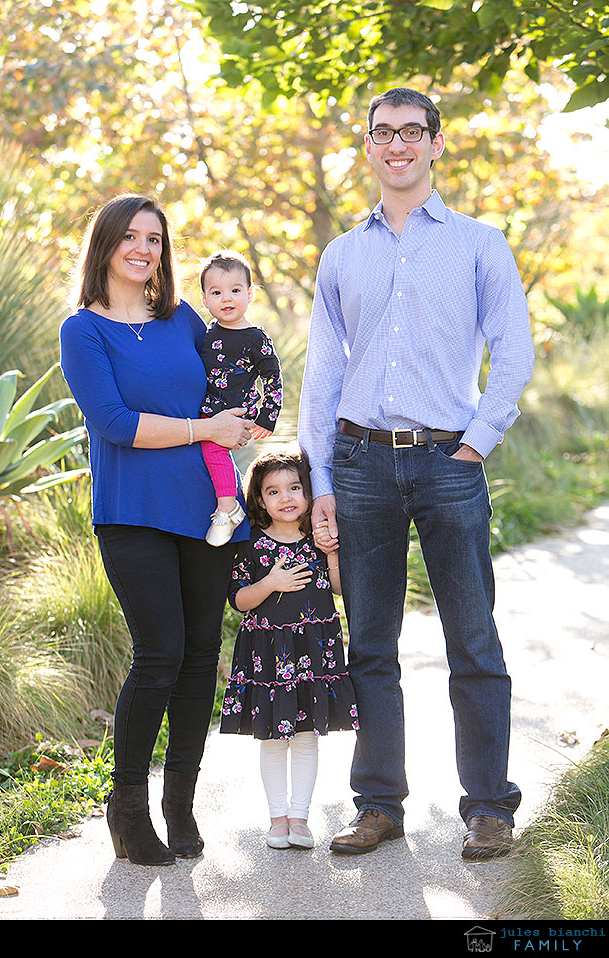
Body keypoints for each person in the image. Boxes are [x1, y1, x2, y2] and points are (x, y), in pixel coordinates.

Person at [298, 87, 535, 860]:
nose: (395, 144)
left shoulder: (477, 244)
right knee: (368, 642)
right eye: (381, 133)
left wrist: (475, 442)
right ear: (366, 147)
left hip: (447, 460)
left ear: (437, 142)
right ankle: (377, 805)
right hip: (360, 461)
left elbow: (514, 350)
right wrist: (321, 478)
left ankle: (490, 809)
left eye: (410, 131)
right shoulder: (342, 253)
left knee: (472, 639)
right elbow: (322, 376)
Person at [59, 193, 253, 866]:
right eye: (132, 237)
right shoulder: (82, 330)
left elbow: (225, 388)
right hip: (132, 511)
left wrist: (252, 413)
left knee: (201, 655)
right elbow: (114, 423)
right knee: (159, 654)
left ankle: (180, 803)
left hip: (205, 513)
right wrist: (204, 429)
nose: (145, 249)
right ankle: (127, 807)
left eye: (156, 239)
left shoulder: (183, 319)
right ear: (106, 244)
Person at [220, 448, 359, 849]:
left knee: (305, 737)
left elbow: (338, 588)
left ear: (308, 492)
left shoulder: (317, 541)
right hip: (268, 652)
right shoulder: (250, 544)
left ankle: (300, 818)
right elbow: (239, 599)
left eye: (295, 487)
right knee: (272, 737)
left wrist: (332, 554)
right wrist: (271, 583)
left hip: (313, 651)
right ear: (260, 500)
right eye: (274, 491)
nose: (287, 497)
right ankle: (277, 818)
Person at [199, 250, 283, 546]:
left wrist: (267, 416)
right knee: (206, 453)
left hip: (236, 413)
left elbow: (272, 377)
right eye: (217, 292)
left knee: (214, 448)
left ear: (250, 294)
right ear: (205, 299)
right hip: (208, 410)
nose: (227, 299)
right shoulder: (206, 333)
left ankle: (228, 507)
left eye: (235, 291)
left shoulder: (255, 338)